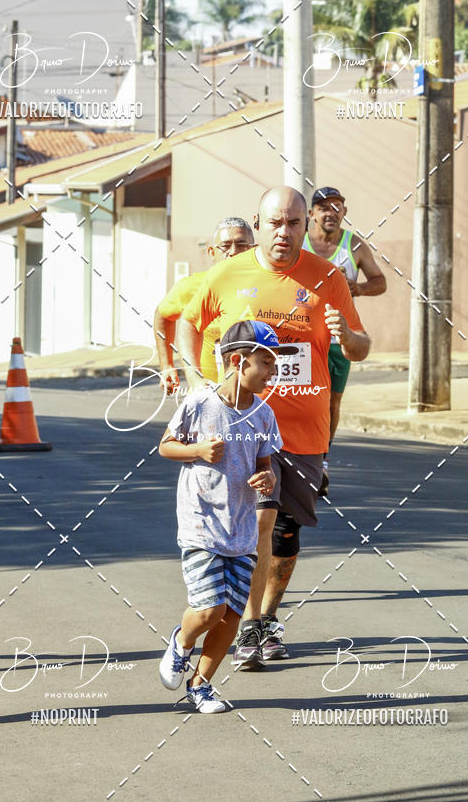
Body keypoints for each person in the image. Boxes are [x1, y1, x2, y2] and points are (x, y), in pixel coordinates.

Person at [178, 186, 370, 668]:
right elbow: (187, 322)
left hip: (305, 428)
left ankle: (265, 618)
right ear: (259, 225)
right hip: (244, 427)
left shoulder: (328, 276)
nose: (284, 233)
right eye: (275, 223)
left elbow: (361, 346)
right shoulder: (227, 274)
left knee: (286, 533)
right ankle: (247, 626)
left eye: (293, 224)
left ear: (306, 227)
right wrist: (196, 378)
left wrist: (347, 336)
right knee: (258, 522)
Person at [158, 320, 291, 711]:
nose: (272, 371)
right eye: (265, 362)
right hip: (201, 523)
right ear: (238, 360)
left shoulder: (264, 415)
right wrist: (197, 451)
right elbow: (166, 447)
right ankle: (182, 643)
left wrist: (266, 478)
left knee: (232, 615)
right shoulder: (199, 404)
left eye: (274, 363)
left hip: (242, 527)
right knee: (209, 609)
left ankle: (200, 687)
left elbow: (266, 463)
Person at [304, 187, 386, 495]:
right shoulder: (299, 243)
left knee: (331, 400)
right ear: (312, 214)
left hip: (340, 335)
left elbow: (380, 282)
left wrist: (358, 289)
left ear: (344, 212)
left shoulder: (354, 245)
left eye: (336, 206)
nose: (330, 212)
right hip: (303, 335)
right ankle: (287, 454)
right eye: (323, 207)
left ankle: (321, 459)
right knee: (299, 393)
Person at [154, 217, 254, 394]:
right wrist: (167, 365)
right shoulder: (191, 287)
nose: (233, 252)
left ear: (253, 250)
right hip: (207, 394)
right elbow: (162, 316)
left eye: (241, 245)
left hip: (255, 396)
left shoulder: (266, 287)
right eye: (225, 246)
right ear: (211, 252)